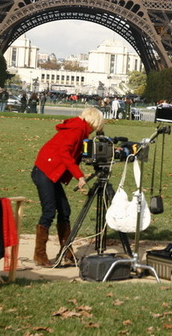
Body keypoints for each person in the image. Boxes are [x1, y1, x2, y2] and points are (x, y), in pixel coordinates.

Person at [31, 107, 105, 267]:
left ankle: (67, 252)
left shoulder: (80, 129)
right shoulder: (77, 129)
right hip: (45, 171)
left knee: (65, 211)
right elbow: (65, 152)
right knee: (49, 211)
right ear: (94, 121)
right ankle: (39, 254)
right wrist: (79, 175)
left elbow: (75, 153)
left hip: (50, 173)